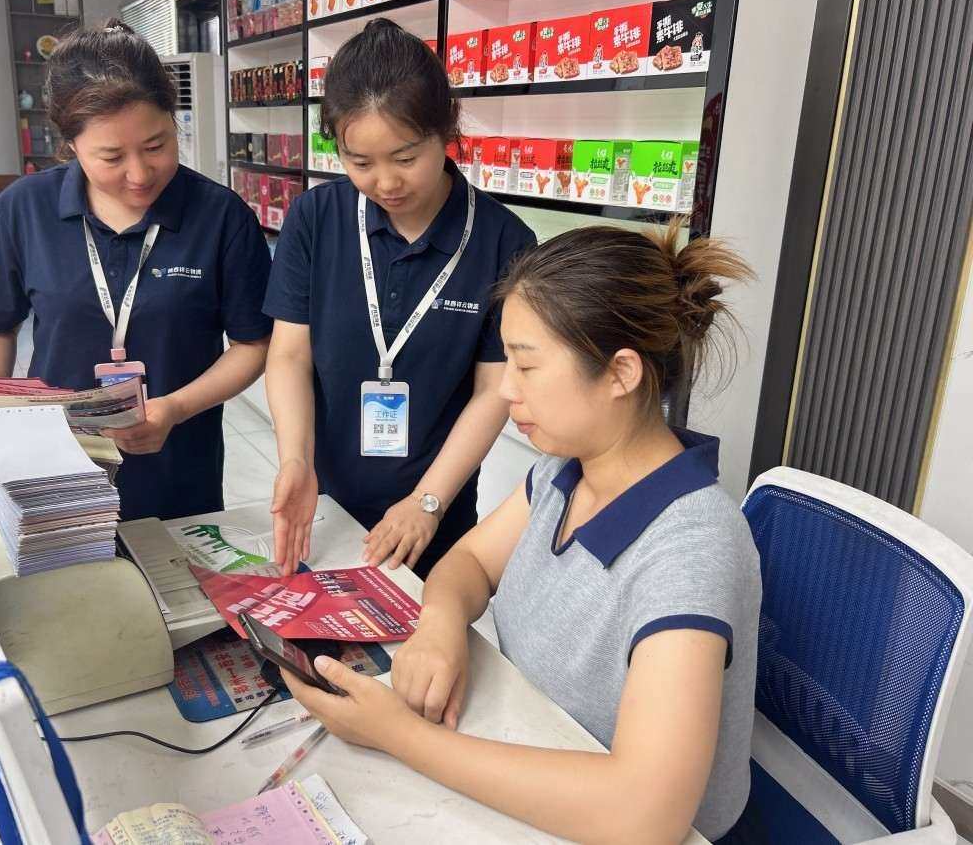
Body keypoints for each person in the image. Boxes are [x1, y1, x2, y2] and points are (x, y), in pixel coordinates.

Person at [283, 225, 765, 844]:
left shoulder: (692, 547)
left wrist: (399, 736)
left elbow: (645, 816)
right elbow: (470, 563)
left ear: (620, 372)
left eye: (528, 364)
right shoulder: (565, 471)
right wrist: (440, 625)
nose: (507, 388)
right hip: (528, 743)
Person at [0, 20, 272, 522]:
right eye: (111, 156)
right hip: (55, 462)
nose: (140, 173)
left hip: (176, 462)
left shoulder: (220, 216)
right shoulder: (25, 208)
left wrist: (175, 408)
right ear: (70, 144)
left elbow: (252, 345)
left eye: (156, 146)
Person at [263, 19, 535, 578]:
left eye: (406, 158)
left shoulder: (503, 240)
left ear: (446, 129)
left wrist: (427, 501)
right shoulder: (315, 219)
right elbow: (289, 354)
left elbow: (493, 390)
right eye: (360, 163)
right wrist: (295, 459)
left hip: (433, 511)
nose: (385, 183)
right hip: (324, 502)